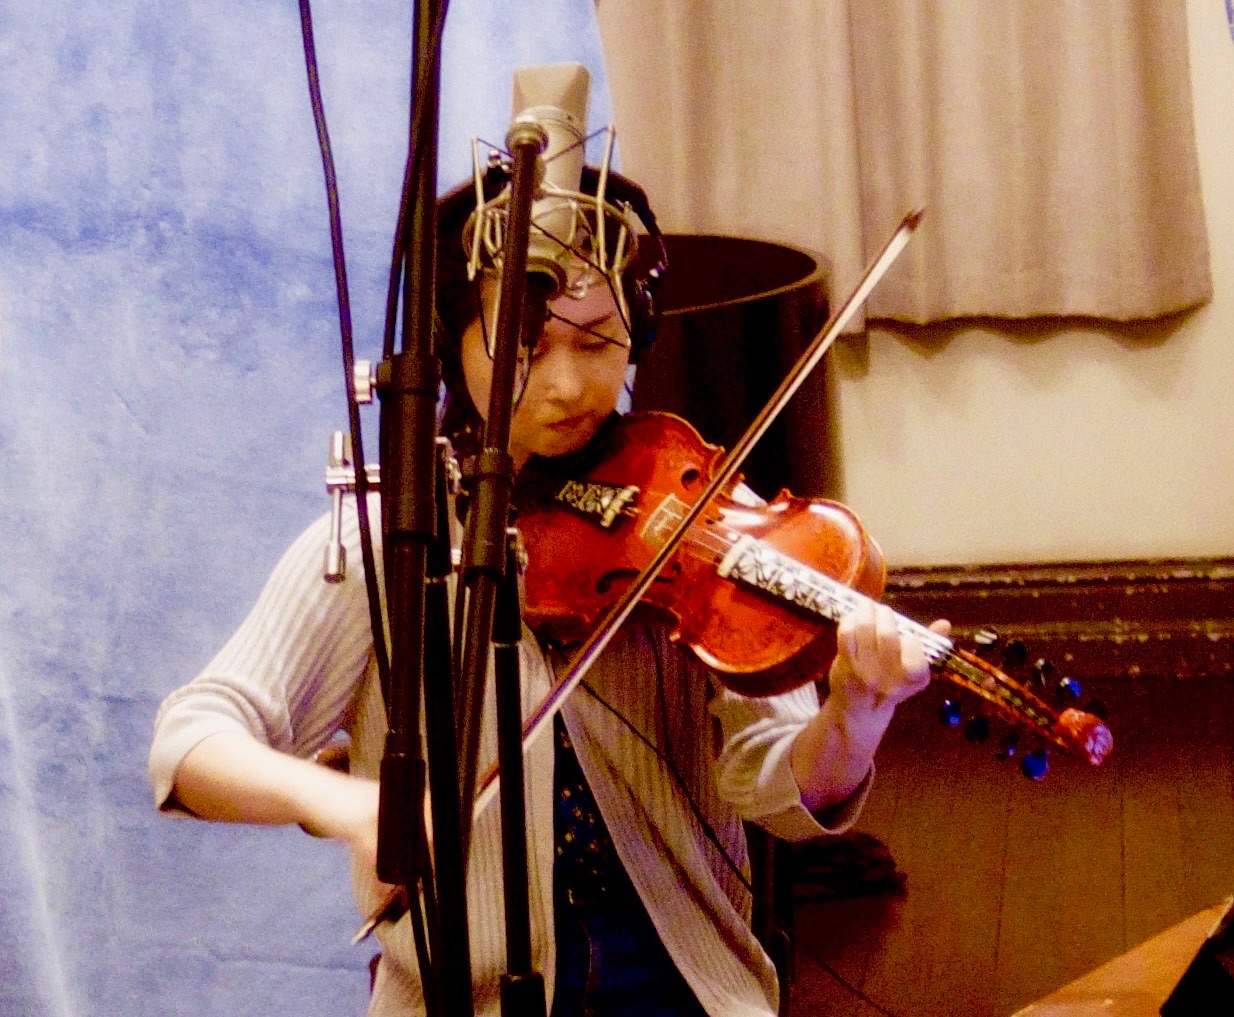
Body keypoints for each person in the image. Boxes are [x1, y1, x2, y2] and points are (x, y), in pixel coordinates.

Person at [148, 167, 947, 1017]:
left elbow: (777, 788)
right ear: (449, 343)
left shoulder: (698, 511)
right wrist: (351, 804)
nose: (567, 386)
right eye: (524, 346)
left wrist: (854, 716)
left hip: (686, 987)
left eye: (597, 343)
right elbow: (189, 744)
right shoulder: (389, 543)